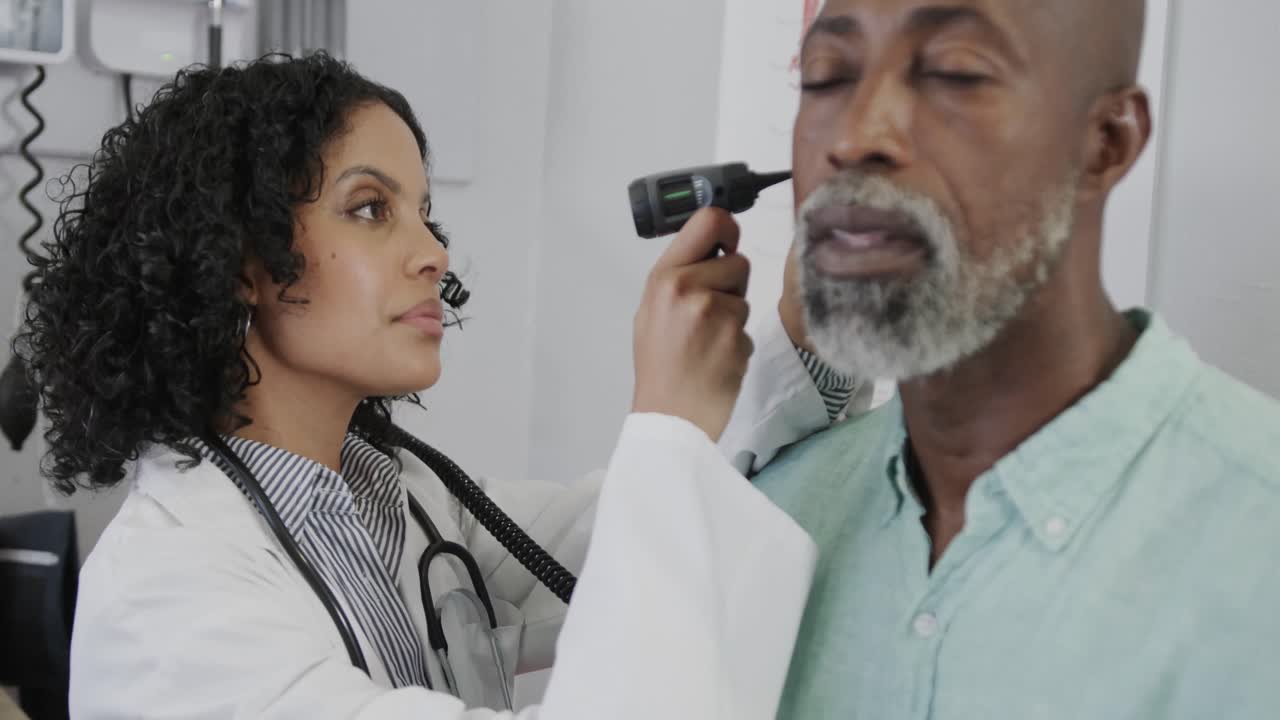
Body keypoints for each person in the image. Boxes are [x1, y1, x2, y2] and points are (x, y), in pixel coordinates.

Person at [15, 53, 850, 719]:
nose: (434, 253)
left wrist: (818, 324)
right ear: (243, 263)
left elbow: (617, 534)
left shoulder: (400, 497)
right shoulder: (172, 604)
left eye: (423, 212)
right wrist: (666, 422)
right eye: (371, 209)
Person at [748, 0, 1280, 717]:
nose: (855, 137)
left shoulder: (1259, 546)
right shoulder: (770, 527)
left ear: (1106, 141)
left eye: (953, 72)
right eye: (826, 75)